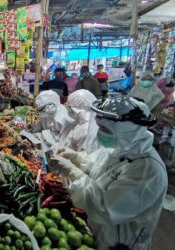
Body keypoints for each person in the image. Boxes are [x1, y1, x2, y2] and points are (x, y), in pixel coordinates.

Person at [47, 96, 167, 250]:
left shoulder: (148, 170)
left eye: (105, 129)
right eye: (100, 127)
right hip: (98, 231)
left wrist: (72, 170)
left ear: (126, 132)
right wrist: (76, 158)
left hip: (120, 244)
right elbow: (96, 167)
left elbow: (105, 207)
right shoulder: (118, 148)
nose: (100, 133)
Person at [51, 89, 100, 154]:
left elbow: (81, 156)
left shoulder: (86, 129)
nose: (69, 112)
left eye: (72, 110)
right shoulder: (79, 121)